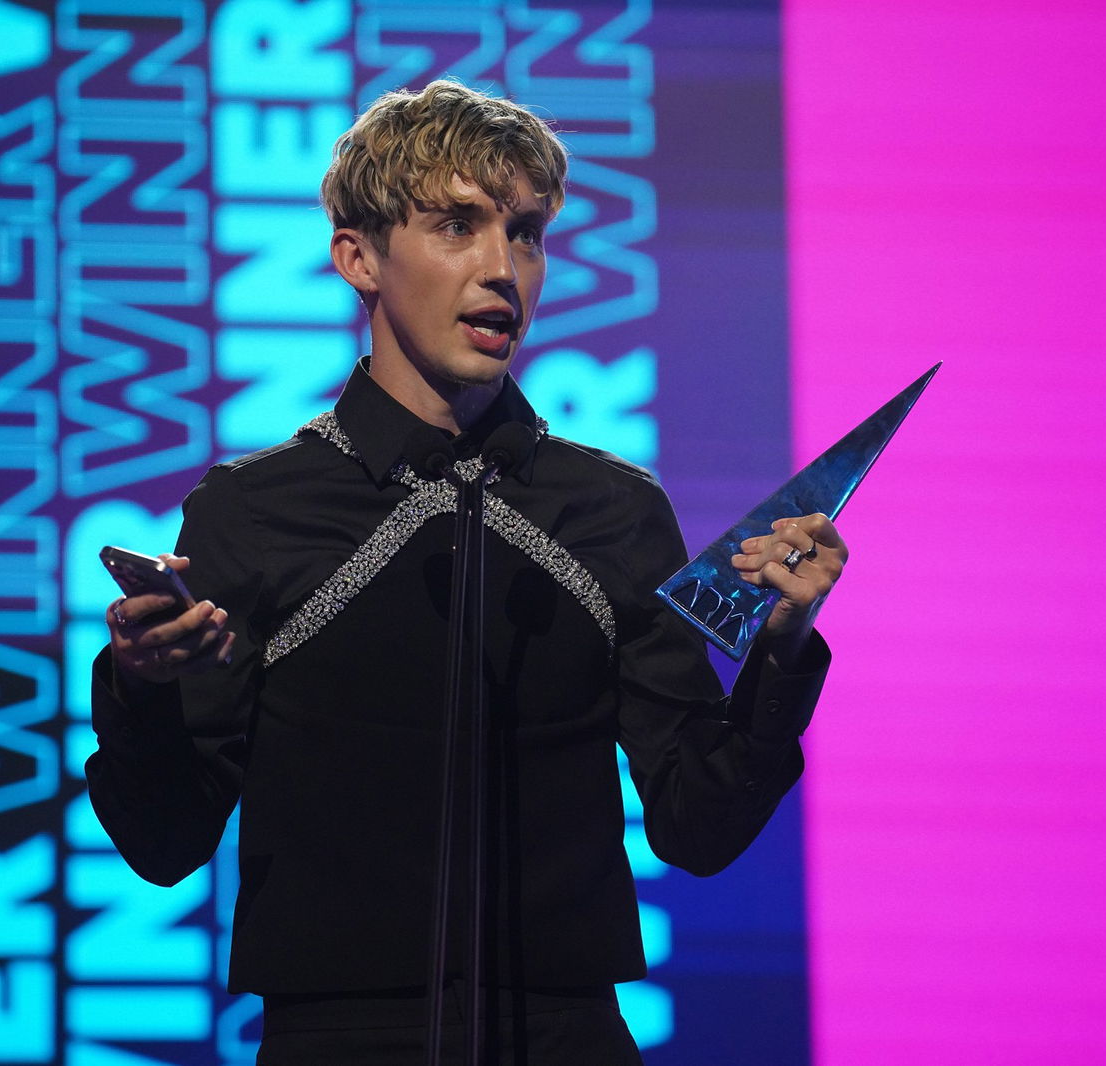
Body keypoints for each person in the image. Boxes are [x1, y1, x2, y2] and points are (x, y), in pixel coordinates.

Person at [87, 79, 848, 1065]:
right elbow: (163, 841)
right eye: (457, 225)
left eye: (526, 234)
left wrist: (780, 648)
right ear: (358, 257)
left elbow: (696, 825)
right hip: (339, 1037)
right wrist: (142, 688)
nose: (502, 268)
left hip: (566, 1032)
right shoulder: (253, 511)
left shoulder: (612, 511)